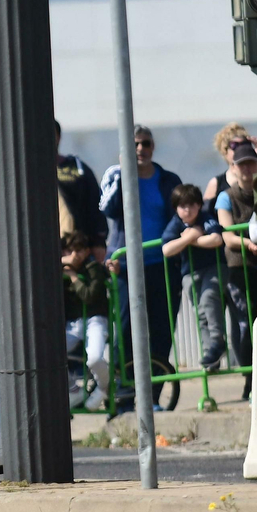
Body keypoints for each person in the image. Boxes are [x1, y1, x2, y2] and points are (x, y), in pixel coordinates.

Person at [99, 125, 184, 396]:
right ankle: (123, 395)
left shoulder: (169, 179)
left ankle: (154, 393)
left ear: (153, 147)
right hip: (126, 267)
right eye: (134, 144)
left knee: (161, 330)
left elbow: (180, 215)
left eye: (145, 144)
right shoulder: (116, 175)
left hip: (161, 266)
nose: (140, 149)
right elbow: (108, 209)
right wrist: (126, 174)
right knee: (124, 330)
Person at [215, 142, 257, 400]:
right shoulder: (226, 196)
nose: (247, 169)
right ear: (233, 168)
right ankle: (250, 379)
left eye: (251, 162)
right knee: (246, 323)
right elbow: (228, 236)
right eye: (241, 164)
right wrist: (248, 242)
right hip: (240, 267)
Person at [158, 184, 227, 369]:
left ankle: (217, 341)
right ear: (176, 208)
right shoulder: (176, 223)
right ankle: (210, 356)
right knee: (201, 312)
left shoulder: (205, 218)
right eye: (182, 206)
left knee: (209, 297)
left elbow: (216, 239)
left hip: (213, 267)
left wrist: (191, 238)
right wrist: (190, 238)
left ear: (199, 205)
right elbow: (167, 249)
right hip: (189, 273)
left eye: (191, 205)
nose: (187, 210)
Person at [61, 231, 111, 411]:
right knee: (49, 353)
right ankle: (74, 389)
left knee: (95, 359)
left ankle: (105, 387)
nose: (75, 255)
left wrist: (73, 276)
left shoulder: (93, 267)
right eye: (71, 250)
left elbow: (89, 295)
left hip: (95, 319)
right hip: (74, 323)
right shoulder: (63, 265)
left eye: (80, 250)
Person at [55, 120, 106, 259]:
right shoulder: (28, 171)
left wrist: (98, 241)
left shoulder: (76, 168)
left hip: (77, 248)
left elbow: (95, 203)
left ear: (58, 137)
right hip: (43, 249)